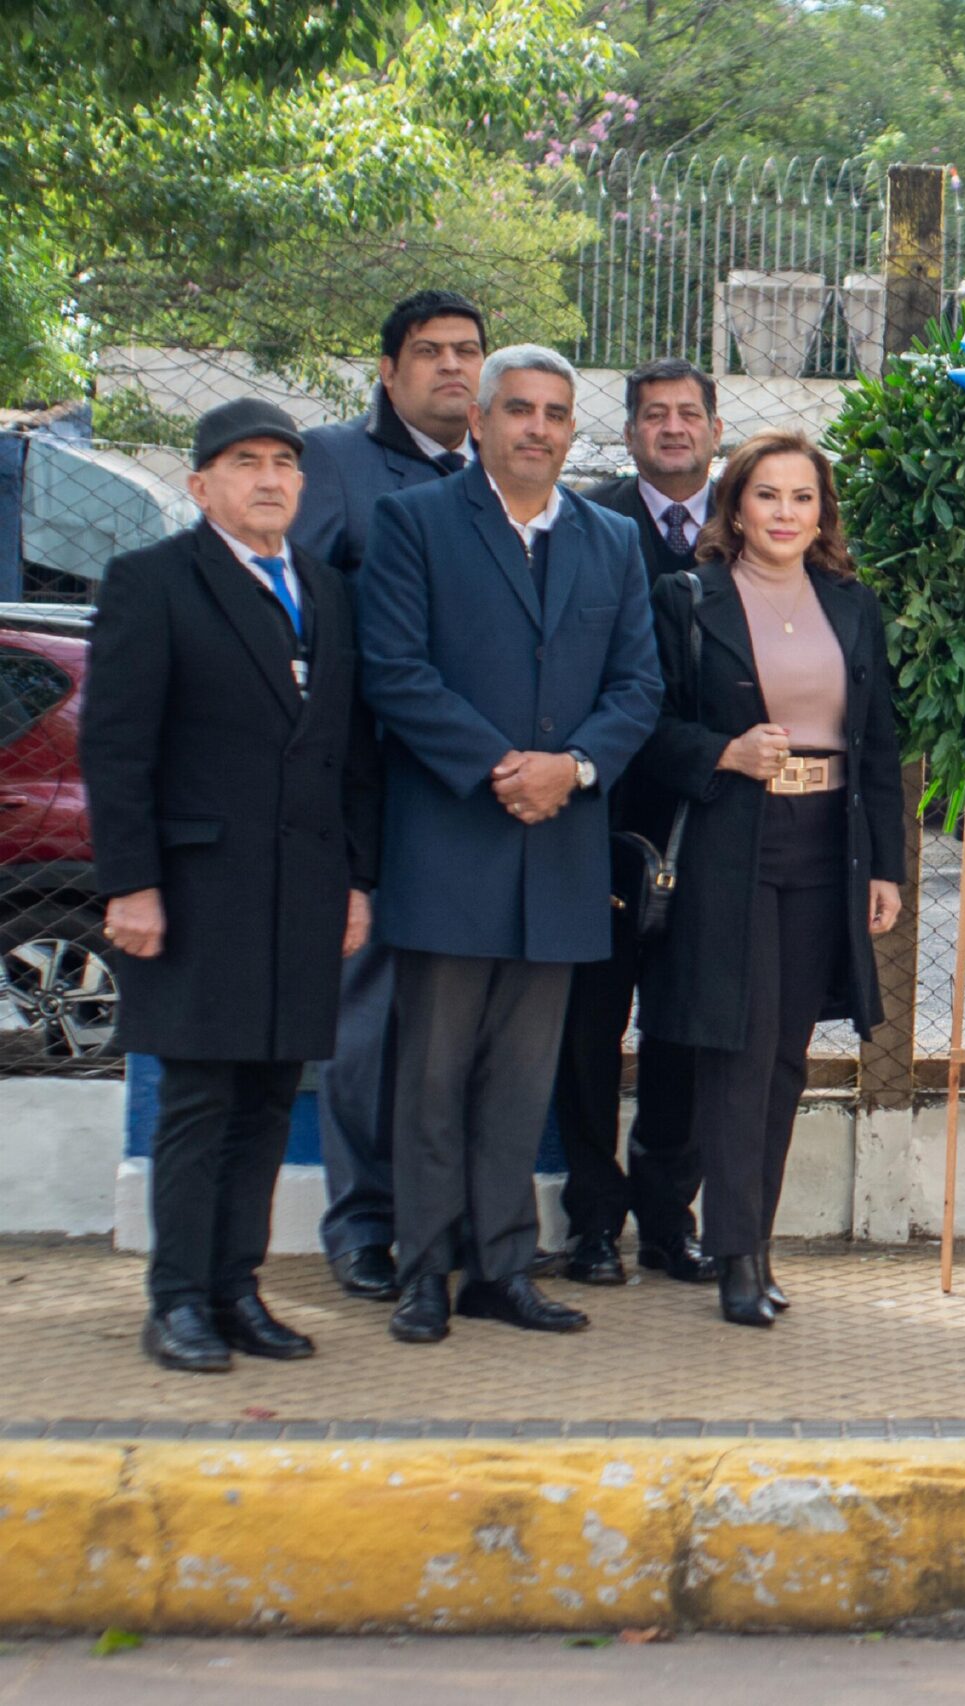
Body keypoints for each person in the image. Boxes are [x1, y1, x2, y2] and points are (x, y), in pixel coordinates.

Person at [356, 344, 662, 1343]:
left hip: (560, 855)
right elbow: (394, 671)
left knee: (519, 1082)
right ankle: (423, 1269)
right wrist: (502, 767)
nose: (538, 426)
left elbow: (638, 689)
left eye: (556, 413)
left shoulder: (612, 542)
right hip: (451, 840)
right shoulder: (414, 523)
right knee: (432, 1074)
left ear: (576, 431)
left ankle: (500, 1270)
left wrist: (568, 770)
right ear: (481, 421)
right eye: (519, 409)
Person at [83, 400, 380, 1373]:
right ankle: (176, 1301)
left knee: (265, 1099)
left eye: (285, 462)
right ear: (200, 482)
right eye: (245, 461)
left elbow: (349, 756)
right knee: (201, 1099)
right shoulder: (153, 582)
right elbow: (116, 748)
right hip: (197, 889)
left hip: (302, 889)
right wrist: (131, 883)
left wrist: (355, 881)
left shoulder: (329, 594)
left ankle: (236, 1288)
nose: (269, 478)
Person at [631, 431, 905, 1327]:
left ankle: (757, 1241)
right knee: (739, 1051)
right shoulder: (687, 599)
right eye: (767, 496)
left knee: (788, 1056)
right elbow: (648, 726)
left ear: (822, 511)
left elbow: (880, 746)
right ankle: (735, 1255)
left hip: (828, 845)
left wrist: (889, 868)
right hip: (729, 841)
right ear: (735, 507)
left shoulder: (853, 605)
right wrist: (723, 752)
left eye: (803, 498)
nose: (786, 514)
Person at [295, 289, 486, 1305]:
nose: (450, 368)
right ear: (388, 370)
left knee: (455, 1029)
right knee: (368, 1021)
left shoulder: (501, 474)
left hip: (474, 798)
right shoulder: (335, 462)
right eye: (428, 353)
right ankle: (362, 1224)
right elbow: (306, 615)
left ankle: (441, 1221)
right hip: (370, 790)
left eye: (466, 352)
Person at [551, 358, 726, 1288]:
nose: (671, 428)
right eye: (653, 415)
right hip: (600, 821)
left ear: (714, 427)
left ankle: (669, 1223)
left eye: (687, 414)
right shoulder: (588, 523)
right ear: (626, 434)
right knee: (586, 1032)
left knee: (683, 1035)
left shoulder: (750, 527)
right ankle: (590, 1224)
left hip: (706, 824)